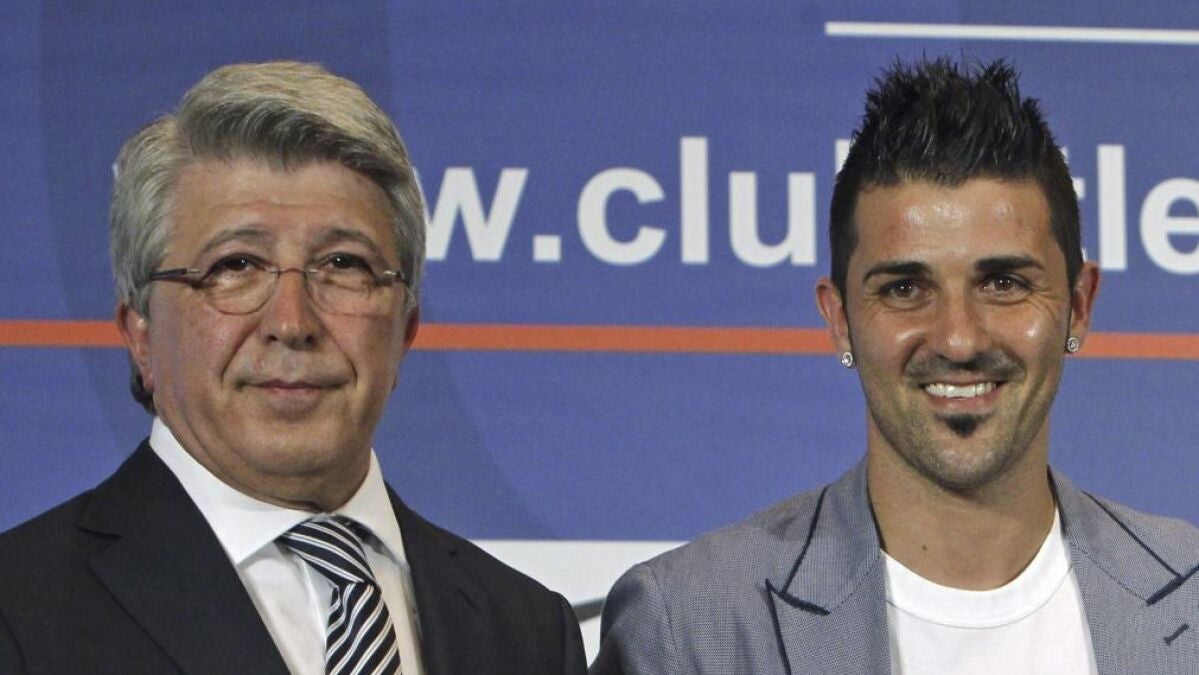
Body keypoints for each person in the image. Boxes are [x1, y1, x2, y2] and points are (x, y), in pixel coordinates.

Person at [591, 58, 1198, 674]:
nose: (959, 339)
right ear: (839, 319)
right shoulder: (690, 628)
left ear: (1078, 306)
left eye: (1004, 283)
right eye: (905, 289)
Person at [0, 61, 585, 675]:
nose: (292, 321)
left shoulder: (528, 631)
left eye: (344, 264)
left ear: (405, 330)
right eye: (235, 266)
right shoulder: (18, 608)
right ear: (140, 334)